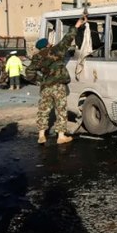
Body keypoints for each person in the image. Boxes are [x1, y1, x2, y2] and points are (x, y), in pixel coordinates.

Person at [27, 16, 86, 145]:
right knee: (61, 109)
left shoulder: (37, 58)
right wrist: (77, 25)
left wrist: (40, 80)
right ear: (47, 45)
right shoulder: (56, 50)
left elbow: (29, 72)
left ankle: (41, 135)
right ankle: (61, 136)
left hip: (45, 87)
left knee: (43, 109)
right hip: (58, 86)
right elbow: (67, 38)